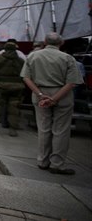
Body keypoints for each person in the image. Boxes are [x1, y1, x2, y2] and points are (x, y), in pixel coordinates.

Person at [21, 32, 82, 175]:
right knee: (61, 130)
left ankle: (42, 160)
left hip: (40, 95)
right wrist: (54, 98)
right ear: (61, 43)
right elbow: (72, 82)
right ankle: (57, 164)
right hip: (63, 96)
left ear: (44, 41)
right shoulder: (67, 58)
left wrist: (41, 95)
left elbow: (26, 78)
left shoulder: (33, 56)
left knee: (43, 129)